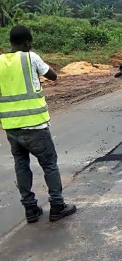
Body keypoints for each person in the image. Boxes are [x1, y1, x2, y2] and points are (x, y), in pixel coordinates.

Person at [0, 25, 76, 223]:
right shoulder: (30, 57)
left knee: (21, 166)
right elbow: (52, 75)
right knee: (49, 164)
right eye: (30, 42)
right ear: (27, 42)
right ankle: (57, 206)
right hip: (34, 125)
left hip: (11, 126)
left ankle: (30, 209)